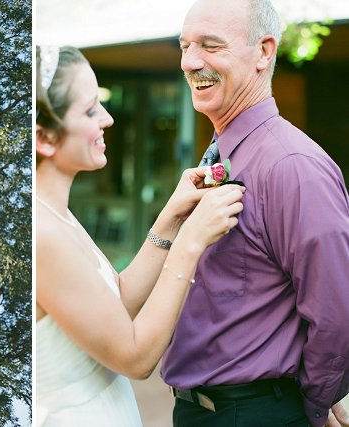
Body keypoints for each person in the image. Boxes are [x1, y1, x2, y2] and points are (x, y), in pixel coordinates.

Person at [33, 44, 245, 426]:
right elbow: (135, 358)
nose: (108, 118)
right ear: (44, 138)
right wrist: (191, 242)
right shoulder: (42, 234)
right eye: (90, 110)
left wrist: (172, 218)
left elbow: (119, 303)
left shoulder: (55, 213)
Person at [162, 0, 349, 426]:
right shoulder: (224, 154)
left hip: (252, 412)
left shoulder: (292, 166)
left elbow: (336, 312)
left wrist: (314, 406)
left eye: (211, 46)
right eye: (185, 46)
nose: (190, 62)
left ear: (264, 52)